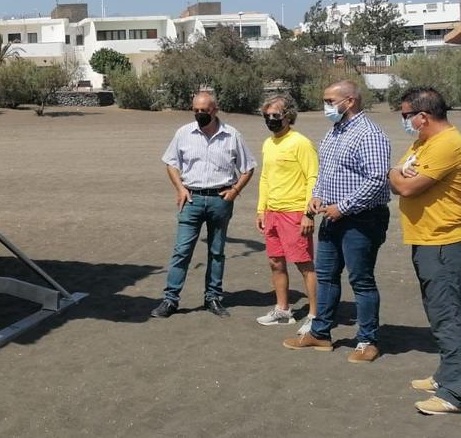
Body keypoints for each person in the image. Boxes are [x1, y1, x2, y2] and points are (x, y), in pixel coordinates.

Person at [284, 80, 390, 363]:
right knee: (327, 275)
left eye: (330, 101)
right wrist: (316, 197)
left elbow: (377, 179)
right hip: (331, 217)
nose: (326, 106)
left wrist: (342, 207)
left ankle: (367, 339)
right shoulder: (334, 132)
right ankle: (321, 332)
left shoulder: (369, 134)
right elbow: (325, 172)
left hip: (362, 219)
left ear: (350, 101)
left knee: (361, 280)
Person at [388, 87, 461, 415]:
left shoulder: (448, 145)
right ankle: (445, 375)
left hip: (444, 243)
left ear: (423, 117)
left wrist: (398, 176)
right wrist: (396, 174)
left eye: (405, 115)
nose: (404, 121)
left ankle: (454, 393)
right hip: (426, 242)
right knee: (437, 315)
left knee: (448, 316)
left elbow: (405, 185)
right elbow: (396, 173)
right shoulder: (423, 143)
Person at [152, 91, 256, 319]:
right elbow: (171, 163)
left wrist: (235, 191)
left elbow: (248, 168)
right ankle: (170, 299)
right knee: (182, 251)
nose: (200, 114)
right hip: (192, 199)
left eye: (204, 111)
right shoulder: (183, 133)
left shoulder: (232, 135)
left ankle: (213, 297)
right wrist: (180, 188)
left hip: (221, 200)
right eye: (196, 110)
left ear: (215, 110)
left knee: (217, 252)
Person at [254, 94, 319, 334]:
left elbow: (313, 177)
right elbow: (265, 177)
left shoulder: (300, 142)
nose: (270, 120)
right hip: (272, 212)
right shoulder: (268, 144)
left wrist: (308, 214)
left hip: (295, 213)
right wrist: (261, 209)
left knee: (304, 265)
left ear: (288, 116)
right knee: (275, 262)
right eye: (266, 116)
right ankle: (283, 310)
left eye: (275, 115)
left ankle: (314, 315)